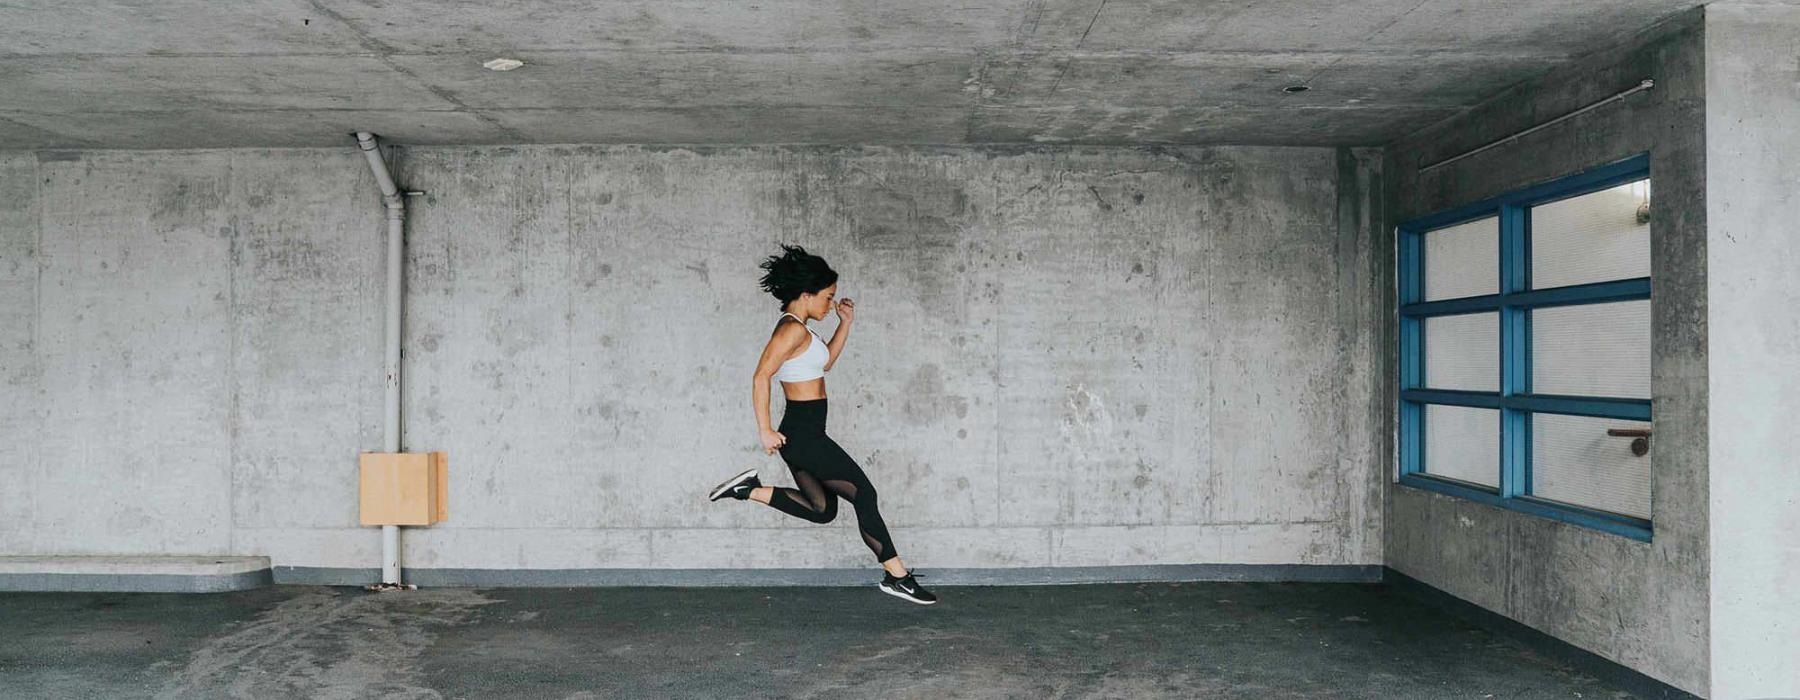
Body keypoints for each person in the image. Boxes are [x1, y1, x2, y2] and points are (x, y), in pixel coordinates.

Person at [707, 244, 937, 605]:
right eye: (827, 298)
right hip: (803, 434)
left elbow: (825, 362)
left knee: (822, 510)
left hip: (806, 433)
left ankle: (746, 489)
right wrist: (765, 430)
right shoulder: (789, 331)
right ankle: (898, 576)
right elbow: (760, 377)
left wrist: (845, 324)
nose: (831, 305)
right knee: (865, 494)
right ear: (806, 293)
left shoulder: (802, 329)